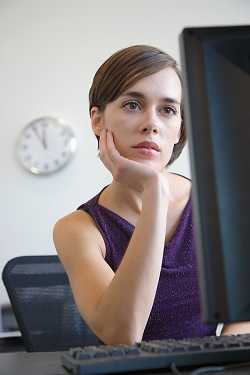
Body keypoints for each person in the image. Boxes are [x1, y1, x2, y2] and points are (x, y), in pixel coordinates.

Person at [53, 45, 249, 345]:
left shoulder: (222, 207)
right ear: (97, 119)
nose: (152, 124)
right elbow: (123, 336)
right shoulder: (78, 230)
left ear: (180, 128)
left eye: (168, 110)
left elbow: (244, 314)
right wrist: (155, 192)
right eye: (133, 104)